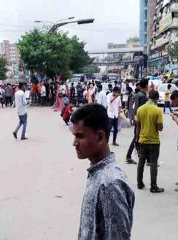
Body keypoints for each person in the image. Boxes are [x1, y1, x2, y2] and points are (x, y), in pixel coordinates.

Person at [71, 103, 135, 239]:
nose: (74, 142)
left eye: (80, 136)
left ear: (100, 137)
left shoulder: (110, 184)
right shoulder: (97, 173)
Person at [136, 90, 164, 193]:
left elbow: (138, 127)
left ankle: (139, 183)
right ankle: (153, 186)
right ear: (156, 98)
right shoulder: (157, 110)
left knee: (141, 162)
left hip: (142, 140)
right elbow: (160, 128)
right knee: (153, 163)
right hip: (154, 141)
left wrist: (136, 139)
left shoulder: (140, 109)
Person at [126, 79, 149, 164]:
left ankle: (132, 156)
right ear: (146, 86)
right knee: (138, 138)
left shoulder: (138, 94)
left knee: (137, 137)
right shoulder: (142, 96)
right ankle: (144, 158)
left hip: (136, 118)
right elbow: (142, 110)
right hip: (140, 120)